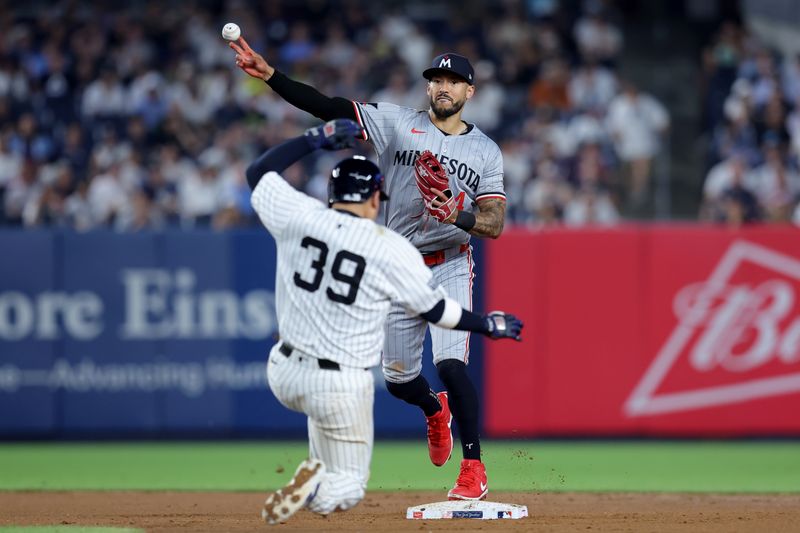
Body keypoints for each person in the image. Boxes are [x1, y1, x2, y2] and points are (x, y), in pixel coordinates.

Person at [231, 37, 507, 502]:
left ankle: (473, 466)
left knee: (451, 364)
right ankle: (432, 411)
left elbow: (494, 223)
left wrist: (455, 215)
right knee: (400, 381)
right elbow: (330, 106)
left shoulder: (485, 151)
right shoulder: (397, 123)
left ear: (469, 93)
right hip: (396, 265)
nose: (443, 87)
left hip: (450, 264)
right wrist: (272, 76)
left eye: (453, 82)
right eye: (437, 80)